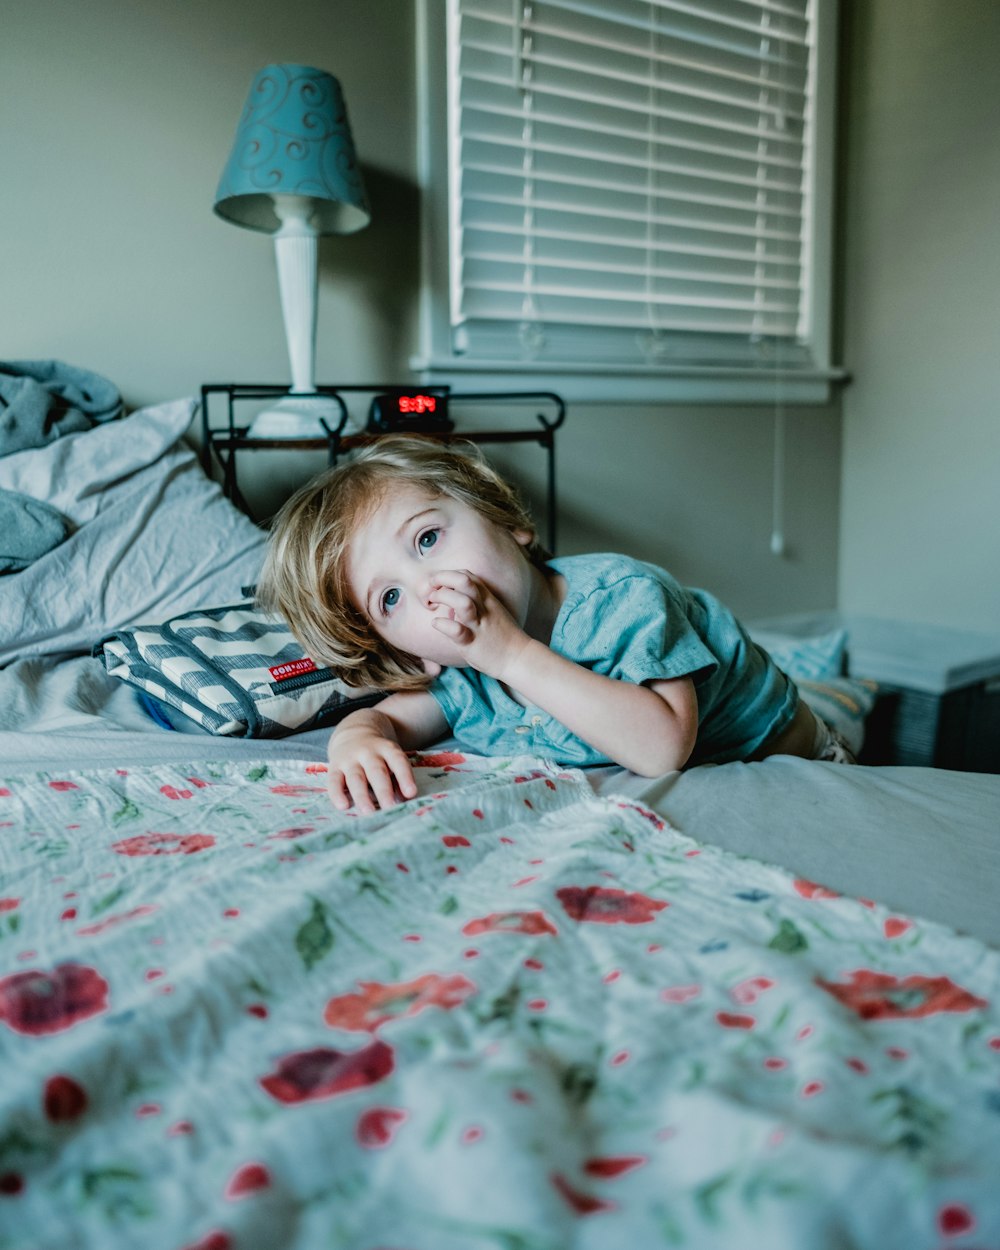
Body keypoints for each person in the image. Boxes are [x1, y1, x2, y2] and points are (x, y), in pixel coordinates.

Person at [258, 435, 854, 812]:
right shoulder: (463, 668)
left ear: (506, 518)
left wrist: (511, 654)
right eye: (389, 599)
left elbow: (663, 747)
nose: (428, 588)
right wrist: (357, 737)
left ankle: (828, 696)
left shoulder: (625, 598)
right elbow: (388, 717)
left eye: (428, 538)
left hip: (790, 754)